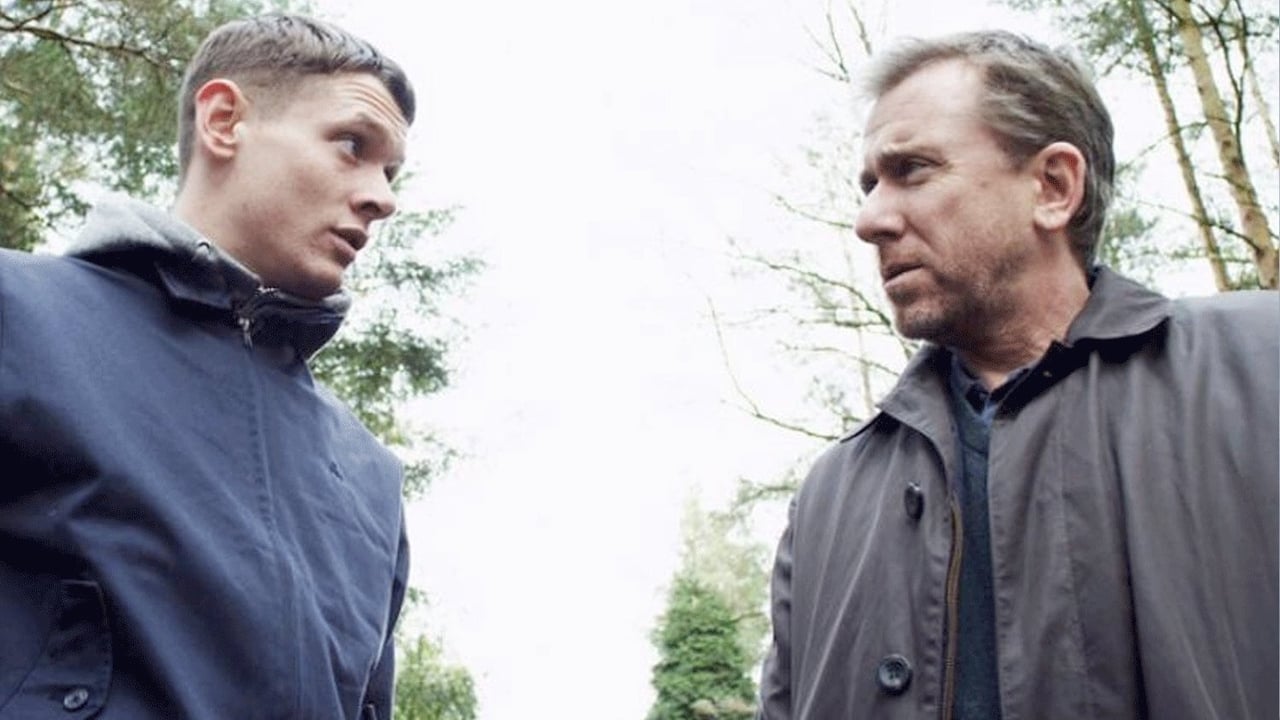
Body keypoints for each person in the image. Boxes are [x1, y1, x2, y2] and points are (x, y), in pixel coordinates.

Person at [756, 30, 1278, 720]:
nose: (870, 219)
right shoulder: (828, 497)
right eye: (870, 185)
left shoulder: (1259, 372)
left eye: (912, 170)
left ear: (1053, 187)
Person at [0, 13, 414, 719]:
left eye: (391, 171)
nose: (384, 197)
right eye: (353, 144)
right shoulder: (19, 315)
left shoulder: (371, 475)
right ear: (224, 121)